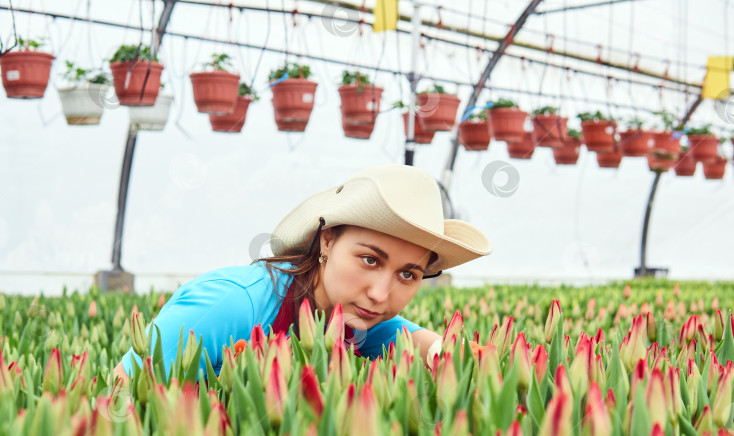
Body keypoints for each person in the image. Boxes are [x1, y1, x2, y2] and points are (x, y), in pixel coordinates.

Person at [112, 163, 492, 384]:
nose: (380, 293)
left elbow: (431, 345)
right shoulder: (231, 302)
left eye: (407, 275)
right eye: (370, 260)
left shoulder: (357, 322)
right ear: (326, 241)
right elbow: (119, 394)